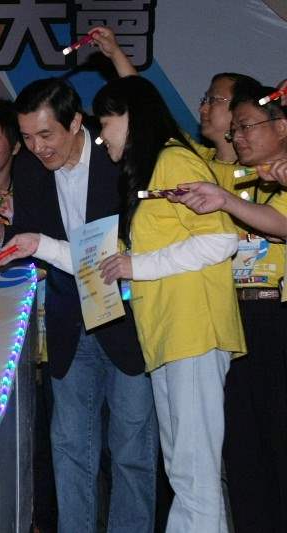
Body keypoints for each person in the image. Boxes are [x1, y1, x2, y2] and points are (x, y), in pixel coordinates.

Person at [0, 77, 157, 533]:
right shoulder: (29, 169)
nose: (37, 148)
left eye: (46, 134)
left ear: (76, 122)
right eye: (27, 137)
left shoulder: (118, 157)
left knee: (132, 450)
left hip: (128, 321)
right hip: (68, 323)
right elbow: (33, 241)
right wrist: (1, 236)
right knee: (69, 448)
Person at [86, 75, 246, 532]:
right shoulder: (153, 170)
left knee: (193, 473)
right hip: (168, 338)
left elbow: (220, 239)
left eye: (105, 123)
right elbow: (119, 259)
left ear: (131, 118)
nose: (101, 137)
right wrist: (38, 243)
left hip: (192, 332)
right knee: (186, 472)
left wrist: (138, 265)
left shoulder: (174, 160)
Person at [171, 81, 287, 533]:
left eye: (247, 126)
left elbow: (279, 223)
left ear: (281, 126)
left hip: (278, 315)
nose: (237, 136)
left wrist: (226, 201)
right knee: (241, 443)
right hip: (234, 318)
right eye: (234, 128)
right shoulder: (230, 176)